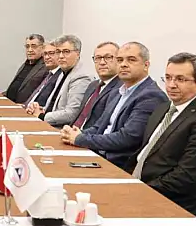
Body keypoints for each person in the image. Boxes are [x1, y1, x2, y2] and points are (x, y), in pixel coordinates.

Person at [126, 53, 196, 222]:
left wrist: (138, 190)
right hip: (139, 185)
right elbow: (144, 152)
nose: (171, 85)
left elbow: (186, 177)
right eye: (168, 78)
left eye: (180, 79)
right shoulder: (164, 108)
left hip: (170, 202)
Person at [61, 42, 167, 170]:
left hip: (118, 165)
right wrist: (74, 134)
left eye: (131, 60)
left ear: (146, 65)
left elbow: (127, 138)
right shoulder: (118, 91)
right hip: (98, 154)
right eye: (120, 60)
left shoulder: (151, 95)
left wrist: (80, 139)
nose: (123, 64)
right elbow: (99, 126)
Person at [27, 35, 92, 127]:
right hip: (49, 124)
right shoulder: (63, 72)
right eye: (58, 52)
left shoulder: (82, 77)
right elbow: (54, 105)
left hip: (62, 129)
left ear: (78, 53)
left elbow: (72, 114)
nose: (61, 56)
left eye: (66, 52)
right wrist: (39, 109)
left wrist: (42, 116)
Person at [70, 41, 122, 130]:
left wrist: (79, 135)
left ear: (119, 60)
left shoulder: (121, 89)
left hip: (88, 136)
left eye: (108, 57)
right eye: (98, 58)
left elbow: (104, 126)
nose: (102, 62)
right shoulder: (93, 85)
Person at [4, 34, 48, 104]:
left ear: (43, 48)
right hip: (8, 102)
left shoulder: (46, 67)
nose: (30, 50)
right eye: (27, 47)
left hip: (23, 106)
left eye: (34, 46)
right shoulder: (25, 64)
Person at [23, 42, 61, 108]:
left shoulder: (60, 76)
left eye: (51, 53)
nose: (47, 57)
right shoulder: (50, 74)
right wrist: (25, 106)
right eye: (45, 54)